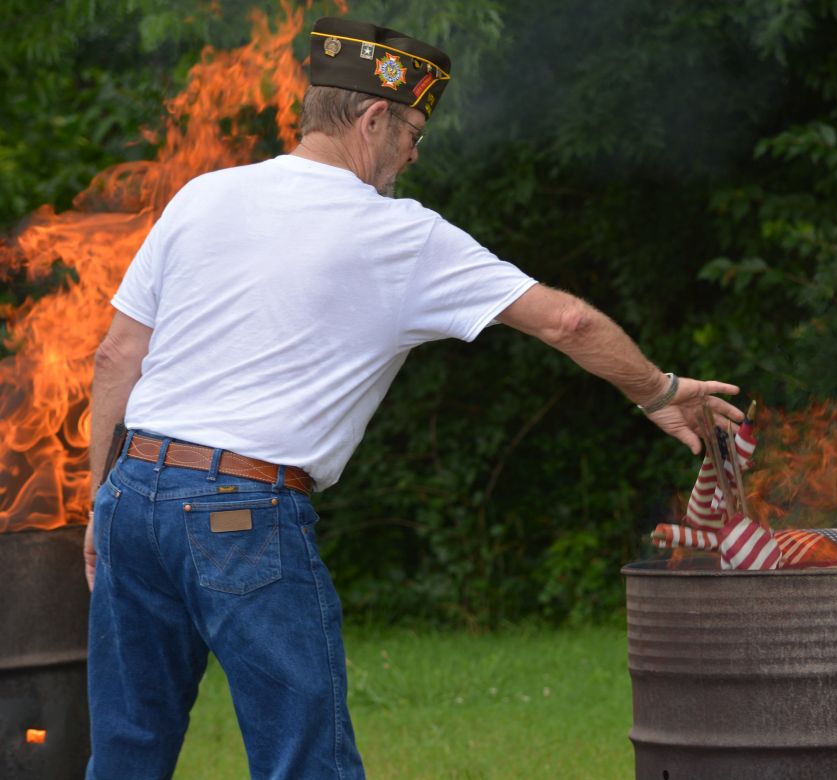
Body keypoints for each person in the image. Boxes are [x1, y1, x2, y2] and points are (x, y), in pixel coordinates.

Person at [83, 16, 742, 779]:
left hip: (131, 496)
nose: (414, 152)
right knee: (306, 762)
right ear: (372, 118)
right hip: (241, 512)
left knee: (126, 752)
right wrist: (658, 390)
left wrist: (102, 501)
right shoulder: (398, 234)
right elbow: (565, 319)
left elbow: (115, 357)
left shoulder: (202, 197)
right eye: (413, 131)